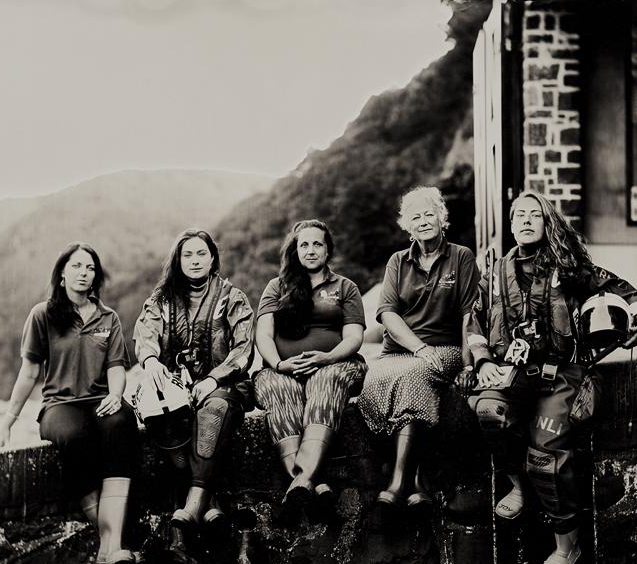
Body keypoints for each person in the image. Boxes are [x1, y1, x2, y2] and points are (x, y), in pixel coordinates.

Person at [466, 190, 637, 564]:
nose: (526, 220)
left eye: (535, 214)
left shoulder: (567, 266)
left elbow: (620, 289)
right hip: (512, 371)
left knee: (545, 455)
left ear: (546, 221)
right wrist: (483, 360)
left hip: (562, 373)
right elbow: (474, 322)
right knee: (488, 410)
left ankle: (567, 545)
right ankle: (516, 486)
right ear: (511, 223)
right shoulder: (495, 273)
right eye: (519, 215)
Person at [0, 242, 141, 564]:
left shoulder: (109, 317)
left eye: (90, 268)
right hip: (58, 405)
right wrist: (9, 419)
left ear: (96, 277)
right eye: (76, 266)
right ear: (62, 274)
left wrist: (116, 394)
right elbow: (30, 371)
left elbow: (116, 367)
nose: (83, 273)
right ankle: (112, 543)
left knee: (122, 422)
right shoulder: (43, 314)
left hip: (100, 401)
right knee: (74, 436)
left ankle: (111, 545)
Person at [357, 186, 480, 512]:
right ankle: (417, 483)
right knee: (377, 379)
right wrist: (417, 346)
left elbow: (470, 315)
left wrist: (469, 365)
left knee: (415, 374)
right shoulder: (398, 261)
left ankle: (396, 482)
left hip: (446, 348)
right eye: (416, 217)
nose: (423, 221)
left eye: (429, 214)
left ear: (442, 217)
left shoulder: (461, 257)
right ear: (406, 225)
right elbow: (387, 313)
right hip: (398, 352)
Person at [134, 228, 254, 537]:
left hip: (224, 387)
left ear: (213, 258)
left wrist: (214, 378)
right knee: (160, 409)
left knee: (211, 409)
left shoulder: (232, 297)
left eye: (201, 253)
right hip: (179, 387)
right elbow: (145, 334)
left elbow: (244, 349)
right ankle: (211, 505)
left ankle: (193, 500)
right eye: (187, 254)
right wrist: (149, 361)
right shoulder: (162, 300)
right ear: (178, 260)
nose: (195, 260)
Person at [254, 220, 368, 518]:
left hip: (337, 365)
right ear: (295, 250)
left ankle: (302, 478)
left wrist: (326, 358)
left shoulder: (345, 287)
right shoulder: (276, 287)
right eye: (304, 244)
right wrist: (279, 364)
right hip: (283, 369)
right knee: (276, 386)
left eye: (317, 243)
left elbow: (354, 338)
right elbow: (263, 335)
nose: (311, 250)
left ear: (328, 250)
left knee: (325, 380)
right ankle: (312, 483)